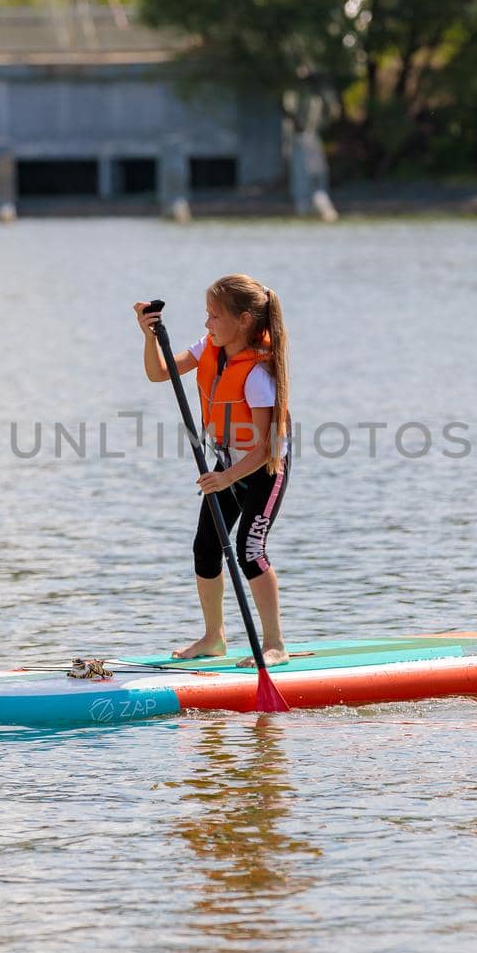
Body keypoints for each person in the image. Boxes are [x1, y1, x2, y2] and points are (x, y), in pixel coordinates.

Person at [135, 275, 292, 667]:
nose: (207, 324)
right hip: (226, 464)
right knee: (205, 548)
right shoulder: (210, 348)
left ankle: (274, 644)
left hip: (263, 468)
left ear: (242, 321)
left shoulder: (258, 374)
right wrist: (149, 335)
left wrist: (227, 477)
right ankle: (213, 637)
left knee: (249, 550)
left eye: (214, 316)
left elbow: (267, 448)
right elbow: (159, 374)